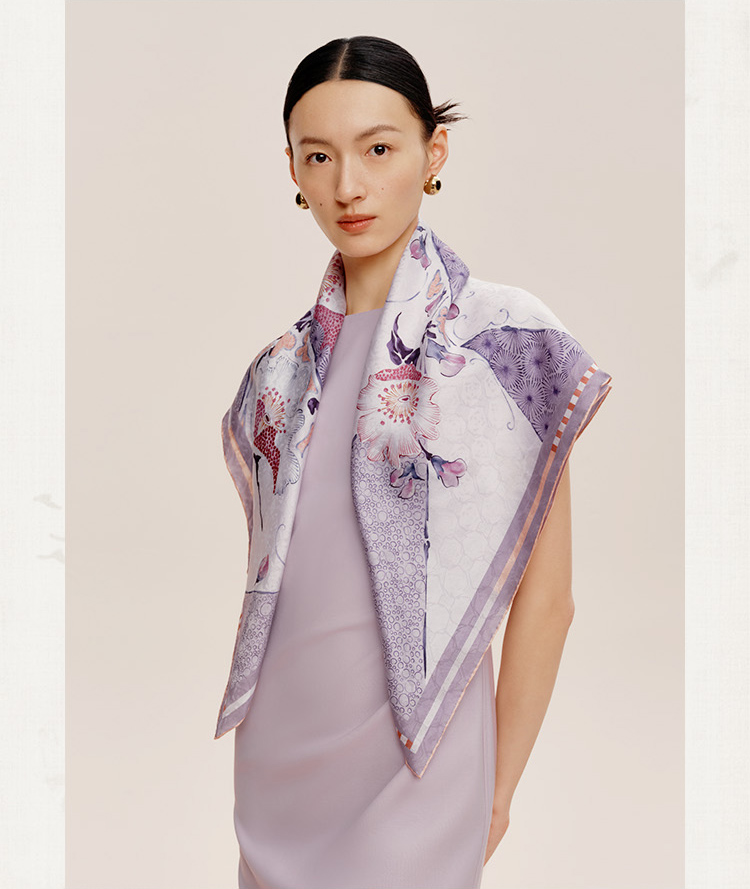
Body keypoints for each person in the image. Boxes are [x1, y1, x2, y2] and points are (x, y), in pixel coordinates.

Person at [215, 35, 612, 889]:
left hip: (420, 758)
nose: (347, 186)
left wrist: (498, 789)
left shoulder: (504, 345)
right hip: (280, 757)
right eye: (319, 156)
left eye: (378, 149)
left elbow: (549, 602)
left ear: (434, 153)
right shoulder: (276, 377)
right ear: (293, 169)